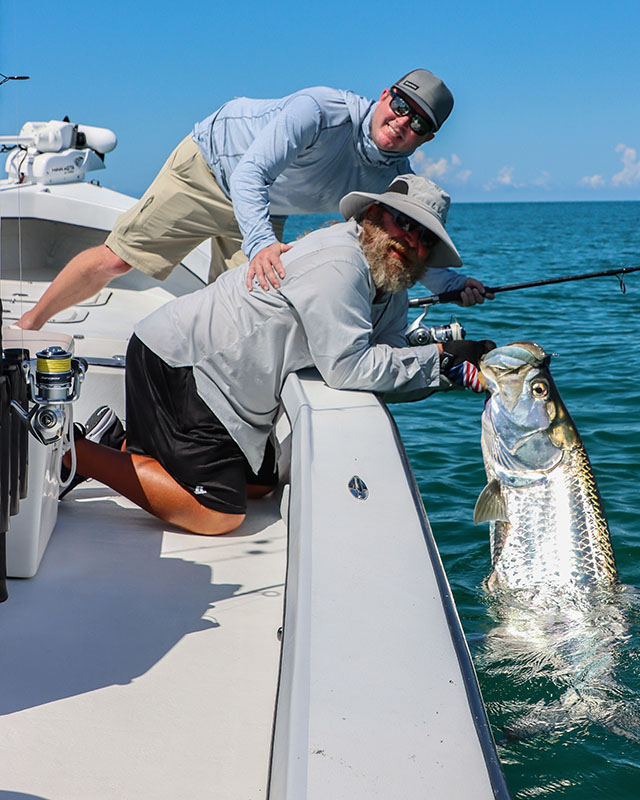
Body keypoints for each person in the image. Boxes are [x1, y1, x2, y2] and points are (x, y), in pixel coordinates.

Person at [63, 175, 495, 535]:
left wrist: (443, 362)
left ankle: (120, 440)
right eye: (403, 223)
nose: (410, 241)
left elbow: (389, 354)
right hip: (185, 364)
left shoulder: (390, 284)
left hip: (230, 387)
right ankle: (73, 453)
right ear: (373, 216)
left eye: (423, 239)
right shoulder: (342, 265)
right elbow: (348, 367)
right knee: (218, 514)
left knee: (262, 485)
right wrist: (442, 361)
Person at [18, 69, 490, 331]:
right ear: (386, 94)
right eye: (402, 105)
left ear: (426, 140)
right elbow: (251, 174)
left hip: (269, 203)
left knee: (247, 304)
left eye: (420, 124)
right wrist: (262, 242)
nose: (404, 122)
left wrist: (450, 284)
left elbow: (400, 244)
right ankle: (30, 323)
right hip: (211, 168)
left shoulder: (396, 177)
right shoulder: (321, 110)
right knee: (119, 259)